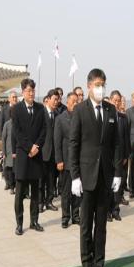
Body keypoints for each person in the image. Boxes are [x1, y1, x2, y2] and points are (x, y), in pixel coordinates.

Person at [69, 68, 121, 267]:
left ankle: (100, 263)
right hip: (87, 174)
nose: (101, 88)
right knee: (86, 224)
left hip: (105, 176)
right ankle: (87, 265)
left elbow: (116, 143)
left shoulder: (111, 110)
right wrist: (75, 176)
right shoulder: (80, 110)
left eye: (103, 84)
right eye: (97, 84)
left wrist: (118, 173)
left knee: (102, 223)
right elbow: (74, 143)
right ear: (89, 85)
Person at [12, 78, 46, 235]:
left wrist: (37, 146)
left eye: (33, 90)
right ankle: (19, 223)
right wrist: (29, 147)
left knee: (36, 192)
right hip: (23, 156)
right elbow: (17, 132)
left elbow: (44, 130)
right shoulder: (17, 109)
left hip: (36, 155)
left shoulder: (40, 108)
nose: (31, 93)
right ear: (22, 92)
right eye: (28, 90)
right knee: (19, 193)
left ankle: (34, 221)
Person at [54, 92, 80, 228]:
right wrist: (59, 160)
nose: (75, 104)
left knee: (77, 191)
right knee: (66, 192)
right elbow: (57, 142)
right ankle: (65, 217)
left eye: (77, 101)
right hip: (65, 161)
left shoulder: (80, 118)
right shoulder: (60, 119)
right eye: (73, 101)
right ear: (68, 102)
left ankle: (76, 216)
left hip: (78, 162)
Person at [107, 90, 130, 221]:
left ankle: (116, 210)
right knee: (108, 187)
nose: (116, 102)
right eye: (114, 100)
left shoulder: (123, 117)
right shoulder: (106, 116)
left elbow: (126, 139)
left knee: (118, 186)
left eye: (118, 100)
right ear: (110, 100)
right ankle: (107, 212)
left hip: (120, 158)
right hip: (108, 158)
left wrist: (126, 155)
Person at [40, 89, 59, 213]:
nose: (56, 102)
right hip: (42, 153)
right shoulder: (41, 114)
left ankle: (49, 201)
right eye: (55, 99)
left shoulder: (57, 115)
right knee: (41, 180)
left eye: (58, 100)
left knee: (51, 180)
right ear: (48, 99)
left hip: (54, 154)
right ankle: (40, 203)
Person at [0, 90, 18, 190]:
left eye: (16, 97)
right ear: (9, 98)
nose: (15, 99)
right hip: (7, 138)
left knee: (13, 164)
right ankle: (8, 183)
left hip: (16, 140)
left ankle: (13, 184)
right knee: (7, 164)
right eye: (13, 97)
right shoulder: (4, 109)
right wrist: (0, 138)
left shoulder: (20, 108)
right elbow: (1, 123)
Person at [2, 108, 15, 194]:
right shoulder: (7, 124)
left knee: (16, 170)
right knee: (9, 169)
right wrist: (4, 152)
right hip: (9, 151)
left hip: (17, 151)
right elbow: (3, 139)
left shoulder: (19, 123)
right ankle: (11, 187)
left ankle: (16, 186)